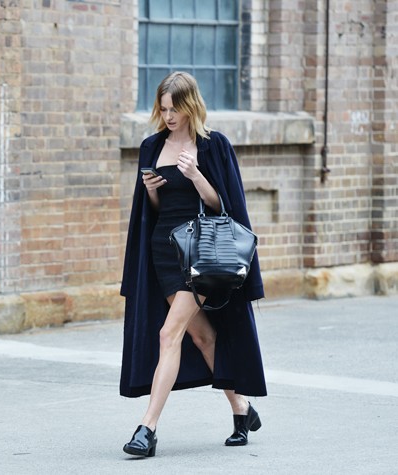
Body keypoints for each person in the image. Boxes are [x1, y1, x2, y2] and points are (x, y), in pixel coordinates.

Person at [119, 71, 267, 458]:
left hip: (200, 254)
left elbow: (224, 205)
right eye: (163, 109)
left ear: (190, 106)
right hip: (164, 252)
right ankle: (242, 408)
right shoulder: (152, 146)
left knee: (169, 334)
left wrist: (195, 175)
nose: (169, 116)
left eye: (175, 109)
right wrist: (152, 192)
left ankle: (147, 429)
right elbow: (153, 211)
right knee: (202, 338)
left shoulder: (213, 145)